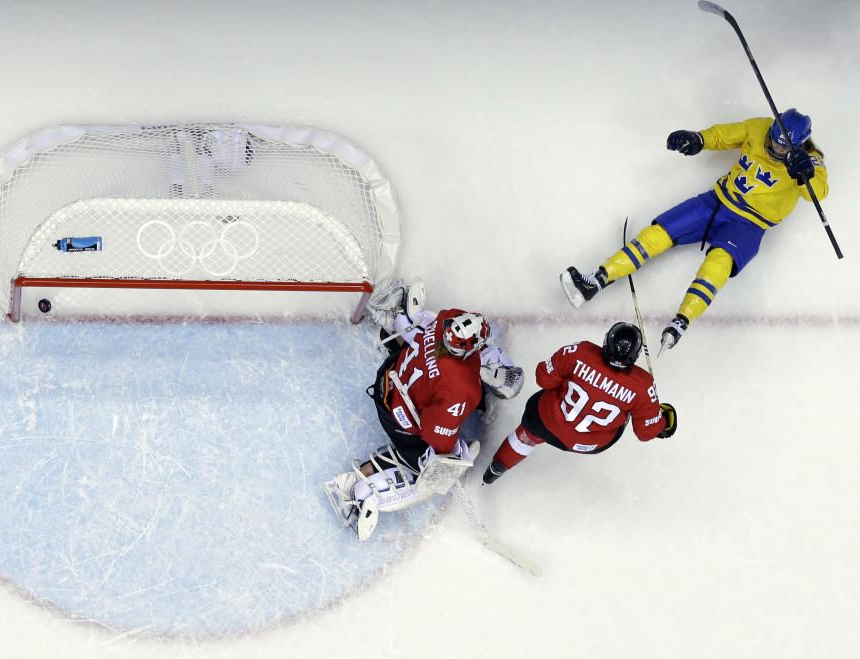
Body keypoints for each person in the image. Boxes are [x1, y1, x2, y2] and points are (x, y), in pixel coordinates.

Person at [560, 108, 828, 352]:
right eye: (773, 141)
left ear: (799, 144)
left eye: (782, 149)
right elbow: (724, 135)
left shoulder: (811, 160)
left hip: (750, 224)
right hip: (717, 201)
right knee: (660, 232)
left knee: (718, 263)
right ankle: (595, 281)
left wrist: (804, 175)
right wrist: (699, 139)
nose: (774, 149)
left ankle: (681, 322)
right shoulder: (760, 127)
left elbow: (820, 193)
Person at [324, 281, 522, 540]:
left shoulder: (447, 320)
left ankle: (397, 318)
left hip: (390, 375)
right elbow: (436, 434)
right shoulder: (460, 388)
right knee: (426, 463)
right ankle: (358, 489)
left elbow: (443, 355)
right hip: (396, 415)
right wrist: (446, 459)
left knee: (423, 340)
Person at [481, 322, 676, 485]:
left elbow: (543, 378)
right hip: (590, 444)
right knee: (627, 412)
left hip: (545, 423)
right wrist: (660, 421)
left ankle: (496, 469)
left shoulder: (581, 351)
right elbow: (646, 433)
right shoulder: (643, 384)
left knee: (530, 430)